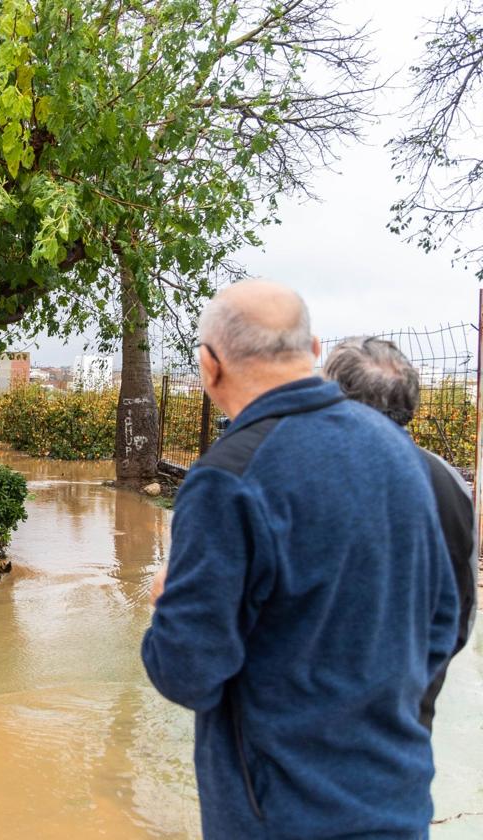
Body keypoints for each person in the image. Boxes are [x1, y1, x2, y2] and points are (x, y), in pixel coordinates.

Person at [141, 280, 458, 839]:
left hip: (281, 815)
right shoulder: (402, 455)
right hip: (397, 799)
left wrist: (170, 604)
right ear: (314, 352)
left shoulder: (228, 478)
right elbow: (442, 622)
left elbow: (187, 673)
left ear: (208, 367)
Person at [325, 335, 477, 730]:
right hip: (407, 714)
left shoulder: (311, 475)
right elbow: (463, 611)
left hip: (315, 726)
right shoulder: (450, 483)